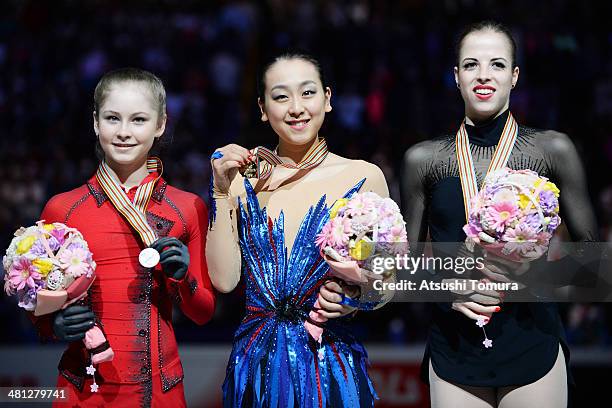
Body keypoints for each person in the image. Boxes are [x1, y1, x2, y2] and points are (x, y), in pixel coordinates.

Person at [401, 21, 598, 408]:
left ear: (515, 76)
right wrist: (446, 289)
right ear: (456, 77)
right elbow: (397, 271)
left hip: (533, 344)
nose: (484, 76)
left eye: (497, 64)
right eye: (471, 65)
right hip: (453, 350)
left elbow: (597, 265)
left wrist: (533, 275)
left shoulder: (552, 150)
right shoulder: (423, 160)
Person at [207, 53, 393, 407]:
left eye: (307, 93)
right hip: (255, 366)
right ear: (263, 108)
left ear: (328, 99)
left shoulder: (363, 176)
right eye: (281, 97)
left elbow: (387, 283)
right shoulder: (240, 181)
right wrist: (218, 191)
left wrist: (351, 300)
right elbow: (224, 280)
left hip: (331, 362)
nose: (296, 108)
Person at [33, 68, 215, 407]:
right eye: (112, 118)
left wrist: (182, 278)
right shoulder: (62, 209)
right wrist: (55, 324)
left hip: (161, 391)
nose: (123, 132)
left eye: (138, 120)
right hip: (83, 391)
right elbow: (38, 310)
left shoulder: (187, 208)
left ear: (160, 124)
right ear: (95, 122)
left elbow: (203, 313)